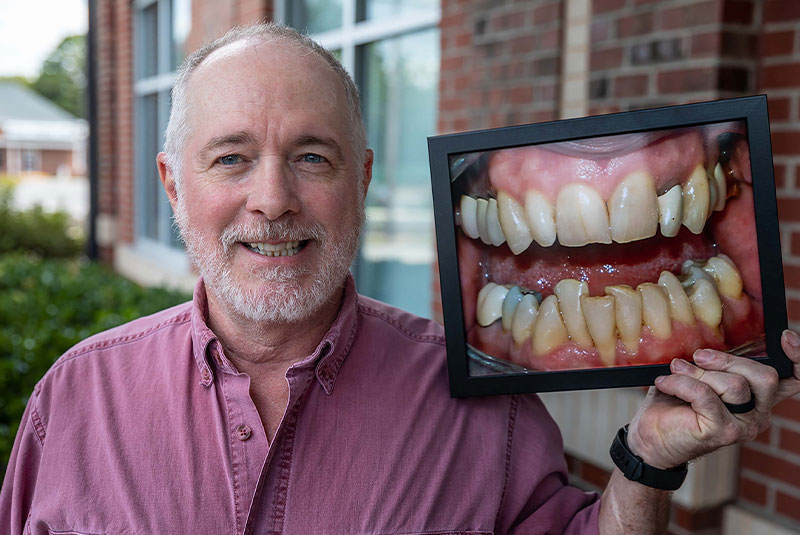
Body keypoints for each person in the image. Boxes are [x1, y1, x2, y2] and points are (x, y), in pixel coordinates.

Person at [1, 22, 799, 534]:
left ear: (363, 179)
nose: (273, 199)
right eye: (232, 158)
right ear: (175, 185)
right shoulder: (72, 404)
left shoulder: (488, 412)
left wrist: (647, 457)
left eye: (313, 157)